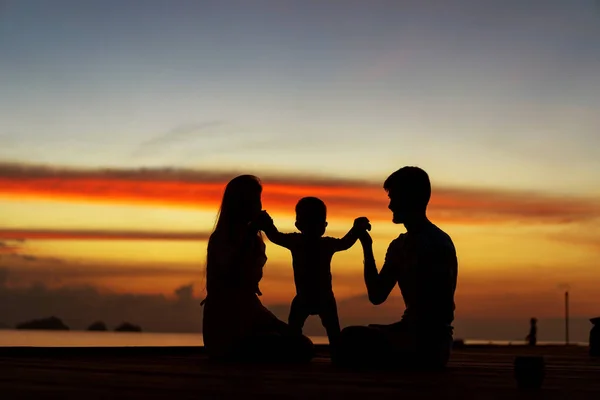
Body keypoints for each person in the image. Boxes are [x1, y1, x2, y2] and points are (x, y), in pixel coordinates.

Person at [334, 166, 458, 370]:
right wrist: (367, 247)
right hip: (412, 334)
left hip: (430, 344)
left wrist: (401, 331)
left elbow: (435, 312)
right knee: (349, 338)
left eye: (394, 197)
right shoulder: (400, 245)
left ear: (412, 198)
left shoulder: (436, 243)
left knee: (350, 340)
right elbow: (377, 295)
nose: (390, 205)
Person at [201, 175, 314, 363]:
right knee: (280, 344)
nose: (258, 205)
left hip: (251, 313)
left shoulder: (253, 238)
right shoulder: (222, 238)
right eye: (254, 200)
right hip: (225, 323)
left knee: (303, 345)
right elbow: (231, 272)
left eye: (258, 200)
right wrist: (252, 232)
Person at [258, 197, 371, 347]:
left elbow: (275, 236)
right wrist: (356, 228)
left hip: (319, 297)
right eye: (311, 221)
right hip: (310, 297)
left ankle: (314, 351)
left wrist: (357, 228)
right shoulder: (315, 243)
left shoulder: (305, 242)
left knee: (322, 332)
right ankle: (308, 351)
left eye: (317, 222)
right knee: (310, 331)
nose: (314, 227)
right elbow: (345, 243)